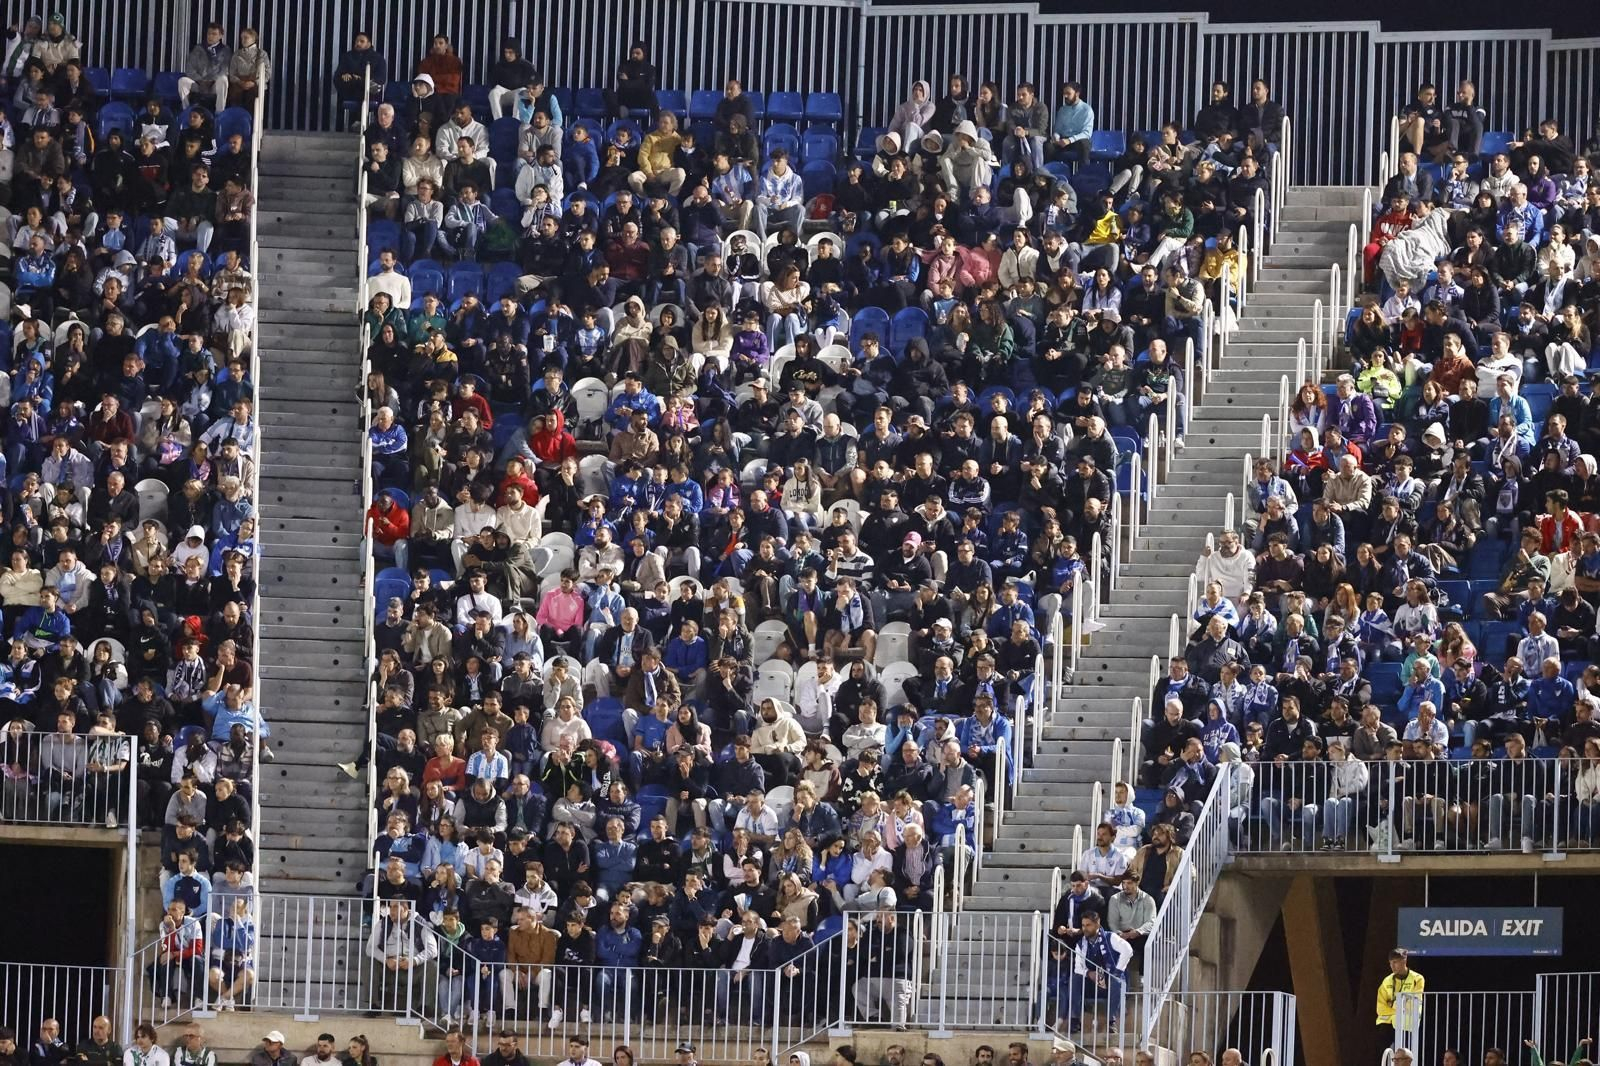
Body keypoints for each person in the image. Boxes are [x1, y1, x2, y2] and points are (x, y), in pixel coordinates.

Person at [1375, 948, 1425, 1050]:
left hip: (1407, 1026)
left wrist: (1391, 1004)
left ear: (1404, 961)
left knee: (1404, 1055)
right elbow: (1380, 1008)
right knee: (1382, 1053)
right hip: (1386, 1024)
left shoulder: (1417, 978)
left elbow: (1414, 1002)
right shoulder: (1387, 981)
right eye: (1390, 963)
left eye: (1395, 962)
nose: (1392, 966)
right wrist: (1398, 1008)